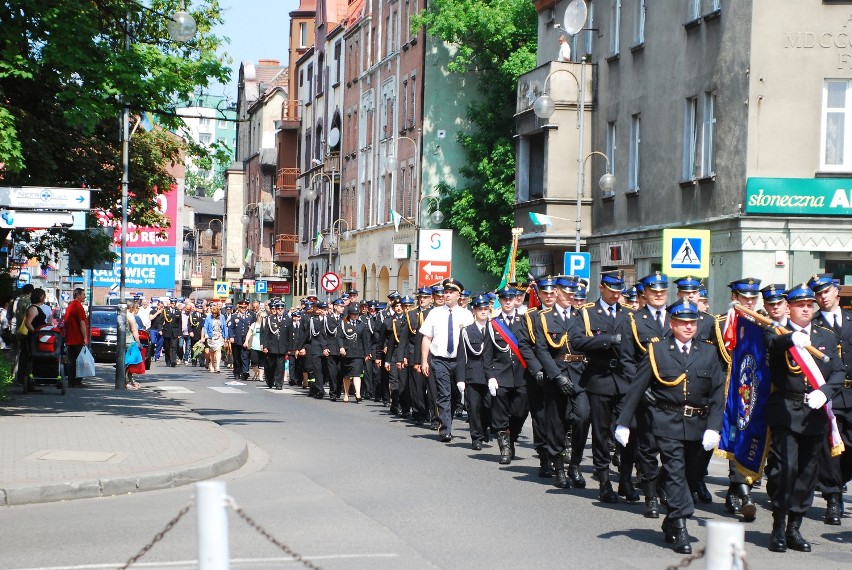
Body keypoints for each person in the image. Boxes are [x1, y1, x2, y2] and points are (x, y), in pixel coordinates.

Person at [615, 300, 726, 555]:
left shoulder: (708, 352)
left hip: (698, 424)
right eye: (683, 322)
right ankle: (681, 526)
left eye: (693, 322)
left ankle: (670, 518)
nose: (689, 327)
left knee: (691, 475)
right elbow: (637, 387)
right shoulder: (657, 351)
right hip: (667, 422)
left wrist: (714, 426)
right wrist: (623, 422)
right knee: (676, 472)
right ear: (672, 324)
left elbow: (718, 392)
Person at [763, 283, 845, 553]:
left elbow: (838, 372)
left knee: (808, 472)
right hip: (786, 409)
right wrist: (791, 339)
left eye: (810, 305)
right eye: (800, 305)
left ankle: (794, 528)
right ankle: (778, 525)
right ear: (789, 307)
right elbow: (772, 344)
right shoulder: (777, 331)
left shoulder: (826, 335)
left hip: (815, 413)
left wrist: (825, 392)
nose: (806, 308)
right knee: (785, 469)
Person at [569, 270, 637, 503]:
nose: (616, 295)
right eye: (611, 291)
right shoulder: (587, 313)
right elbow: (576, 342)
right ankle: (605, 481)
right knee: (601, 433)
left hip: (626, 379)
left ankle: (626, 479)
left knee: (628, 431)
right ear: (602, 288)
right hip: (600, 379)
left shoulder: (629, 314)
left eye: (619, 291)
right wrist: (608, 340)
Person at [808, 273, 852, 527]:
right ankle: (833, 497)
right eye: (818, 294)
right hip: (827, 395)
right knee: (830, 448)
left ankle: (839, 480)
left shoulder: (850, 319)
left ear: (836, 291)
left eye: (826, 291)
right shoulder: (812, 325)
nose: (822, 297)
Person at [420, 278, 474, 442]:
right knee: (444, 394)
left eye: (451, 292)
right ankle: (445, 429)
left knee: (456, 395)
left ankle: (449, 420)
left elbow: (472, 340)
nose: (447, 294)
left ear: (459, 295)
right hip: (440, 360)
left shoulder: (466, 314)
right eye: (446, 291)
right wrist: (424, 361)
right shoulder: (434, 313)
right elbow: (427, 338)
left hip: (459, 362)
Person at [485, 286, 531, 465]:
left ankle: (512, 437)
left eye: (511, 299)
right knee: (500, 413)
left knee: (520, 412)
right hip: (500, 375)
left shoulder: (525, 321)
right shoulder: (493, 324)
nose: (508, 302)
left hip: (522, 374)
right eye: (504, 299)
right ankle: (504, 447)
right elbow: (487, 354)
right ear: (500, 301)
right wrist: (490, 376)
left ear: (516, 300)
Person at [457, 294, 492, 450]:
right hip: (473, 374)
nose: (483, 312)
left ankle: (484, 428)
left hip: (490, 375)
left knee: (488, 406)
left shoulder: (494, 329)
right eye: (480, 309)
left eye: (486, 309)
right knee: (474, 407)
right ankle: (476, 437)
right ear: (474, 311)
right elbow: (461, 356)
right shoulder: (467, 331)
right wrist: (460, 378)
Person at [337, 303, 370, 402]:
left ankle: (358, 394)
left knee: (357, 374)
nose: (355, 316)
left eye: (357, 314)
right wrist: (341, 347)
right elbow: (339, 337)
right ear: (349, 314)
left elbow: (365, 340)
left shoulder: (361, 324)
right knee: (347, 375)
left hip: (358, 354)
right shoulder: (344, 324)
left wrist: (367, 353)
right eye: (353, 314)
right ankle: (346, 394)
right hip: (347, 353)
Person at [260, 300, 290, 390]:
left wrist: (289, 347)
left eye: (281, 308)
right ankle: (270, 380)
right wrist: (265, 346)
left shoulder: (287, 319)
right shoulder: (270, 319)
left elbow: (289, 334)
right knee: (270, 366)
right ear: (275, 309)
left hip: (282, 347)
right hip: (271, 347)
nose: (280, 310)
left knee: (280, 367)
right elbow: (266, 334)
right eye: (278, 308)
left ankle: (279, 383)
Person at [62, 288, 89, 388]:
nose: (84, 296)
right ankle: (77, 381)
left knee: (71, 361)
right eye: (83, 294)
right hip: (78, 338)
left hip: (70, 338)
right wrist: (85, 338)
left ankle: (71, 381)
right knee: (80, 361)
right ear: (78, 295)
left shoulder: (70, 306)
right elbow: (82, 323)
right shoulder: (78, 306)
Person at [228, 299, 254, 380]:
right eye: (241, 307)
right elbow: (230, 327)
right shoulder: (234, 316)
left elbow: (252, 329)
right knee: (236, 358)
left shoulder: (250, 317)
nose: (243, 309)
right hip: (236, 340)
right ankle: (236, 372)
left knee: (245, 357)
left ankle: (245, 372)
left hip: (245, 340)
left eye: (245, 307)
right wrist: (231, 337)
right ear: (238, 307)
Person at [202, 303, 229, 373]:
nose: (214, 315)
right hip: (211, 336)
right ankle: (212, 363)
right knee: (212, 352)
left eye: (215, 313)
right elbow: (205, 327)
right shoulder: (208, 317)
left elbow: (225, 327)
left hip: (219, 336)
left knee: (218, 350)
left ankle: (217, 366)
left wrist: (226, 336)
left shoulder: (222, 317)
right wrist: (206, 334)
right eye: (213, 313)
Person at [125, 302, 143, 389]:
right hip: (130, 341)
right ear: (131, 308)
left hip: (122, 342)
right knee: (130, 363)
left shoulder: (121, 315)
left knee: (125, 362)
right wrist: (138, 342)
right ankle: (128, 381)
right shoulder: (130, 316)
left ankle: (128, 380)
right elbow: (134, 330)